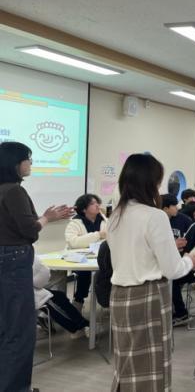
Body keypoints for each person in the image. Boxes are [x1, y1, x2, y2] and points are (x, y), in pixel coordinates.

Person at [107, 153, 195, 391]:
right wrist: (189, 260)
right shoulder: (154, 216)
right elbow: (172, 269)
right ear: (151, 182)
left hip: (119, 295)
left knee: (126, 364)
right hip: (148, 296)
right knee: (152, 366)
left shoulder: (115, 215)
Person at [0, 141, 74, 392]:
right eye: (28, 159)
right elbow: (30, 231)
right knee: (19, 331)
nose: (30, 163)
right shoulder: (14, 191)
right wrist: (47, 218)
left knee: (6, 328)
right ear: (15, 163)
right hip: (13, 261)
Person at [65, 193, 108, 310]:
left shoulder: (104, 220)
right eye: (93, 204)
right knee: (85, 273)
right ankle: (78, 301)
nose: (97, 206)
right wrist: (98, 235)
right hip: (81, 259)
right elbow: (73, 242)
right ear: (84, 209)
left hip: (100, 257)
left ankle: (106, 300)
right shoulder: (75, 223)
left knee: (108, 270)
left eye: (97, 203)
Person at [33, 254, 89, 337]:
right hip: (28, 294)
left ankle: (44, 317)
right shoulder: (26, 253)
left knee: (55, 294)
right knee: (57, 298)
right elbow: (42, 277)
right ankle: (80, 326)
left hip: (17, 294)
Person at [161, 194, 194, 326]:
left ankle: (181, 313)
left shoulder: (184, 220)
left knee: (171, 278)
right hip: (168, 262)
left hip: (186, 263)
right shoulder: (158, 222)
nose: (177, 208)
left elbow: (192, 240)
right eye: (174, 206)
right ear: (165, 208)